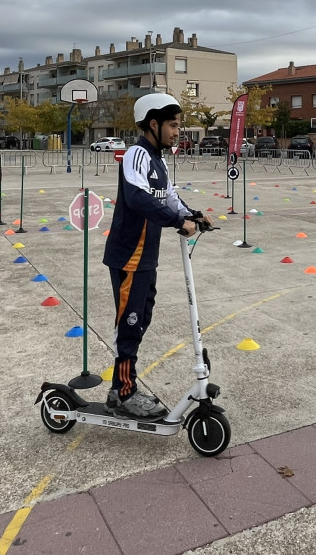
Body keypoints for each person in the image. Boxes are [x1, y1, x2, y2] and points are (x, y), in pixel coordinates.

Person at [102, 93, 210, 419]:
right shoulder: (137, 154)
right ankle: (124, 392)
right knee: (130, 323)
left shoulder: (159, 161)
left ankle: (121, 386)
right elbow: (136, 197)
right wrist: (179, 221)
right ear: (154, 123)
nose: (178, 132)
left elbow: (170, 198)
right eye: (174, 125)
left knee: (141, 318)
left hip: (146, 256)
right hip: (129, 256)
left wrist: (194, 214)